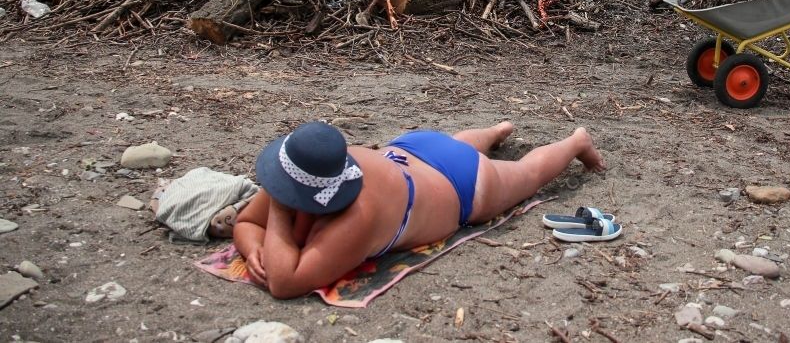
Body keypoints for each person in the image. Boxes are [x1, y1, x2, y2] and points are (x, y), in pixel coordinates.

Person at [234, 120, 605, 299]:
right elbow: (247, 221)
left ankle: (576, 141)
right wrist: (254, 249)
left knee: (527, 173)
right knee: (455, 146)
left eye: (281, 191)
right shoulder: (310, 169)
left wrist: (279, 208)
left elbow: (285, 282)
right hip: (414, 148)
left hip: (463, 183)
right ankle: (495, 131)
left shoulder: (354, 218)